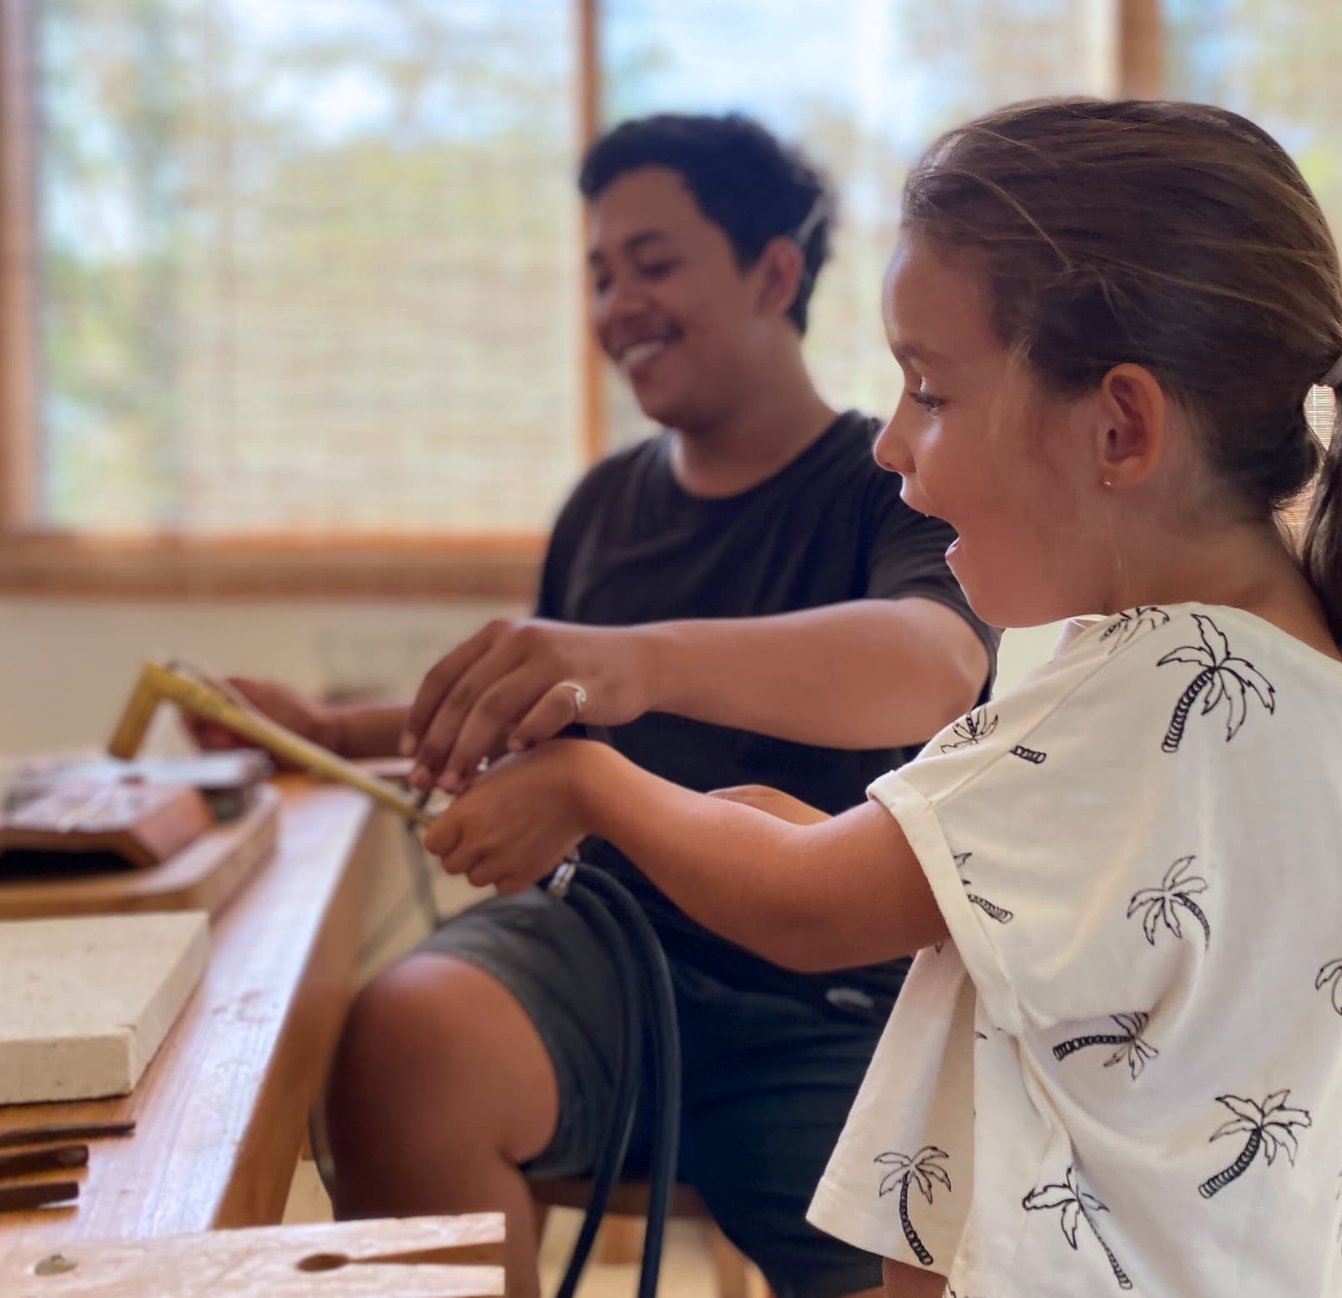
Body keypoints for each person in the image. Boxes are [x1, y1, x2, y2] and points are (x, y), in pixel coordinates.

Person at [421, 98, 1342, 1298]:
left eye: (929, 390)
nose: (892, 442)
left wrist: (591, 781)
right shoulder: (1285, 670)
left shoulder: (1160, 694)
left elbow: (811, 907)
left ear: (1118, 424)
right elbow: (1034, 930)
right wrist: (796, 826)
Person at [195, 113, 996, 1298]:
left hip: (838, 1001)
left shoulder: (887, 477)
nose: (618, 302)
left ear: (774, 270)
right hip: (599, 949)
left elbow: (933, 663)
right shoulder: (601, 504)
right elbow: (542, 705)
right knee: (403, 1041)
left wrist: (638, 659)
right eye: (599, 274)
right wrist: (327, 729)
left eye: (654, 262)